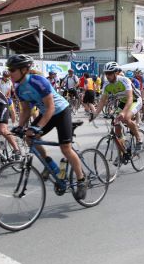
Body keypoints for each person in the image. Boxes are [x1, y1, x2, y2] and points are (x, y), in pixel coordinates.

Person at [8, 55, 87, 199]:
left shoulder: (39, 82)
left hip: (61, 111)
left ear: (24, 70)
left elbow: (51, 107)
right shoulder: (19, 88)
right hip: (46, 113)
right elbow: (25, 110)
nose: (9, 73)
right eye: (9, 69)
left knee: (66, 149)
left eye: (12, 69)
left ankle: (81, 180)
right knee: (29, 137)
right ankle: (49, 164)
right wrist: (19, 126)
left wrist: (37, 127)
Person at [92, 62, 143, 152]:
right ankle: (123, 152)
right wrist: (95, 114)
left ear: (116, 72)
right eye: (106, 73)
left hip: (135, 100)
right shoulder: (106, 84)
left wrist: (123, 112)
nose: (107, 76)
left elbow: (130, 98)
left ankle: (139, 140)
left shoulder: (124, 80)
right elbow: (102, 101)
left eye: (110, 73)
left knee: (126, 118)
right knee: (116, 124)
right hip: (123, 102)